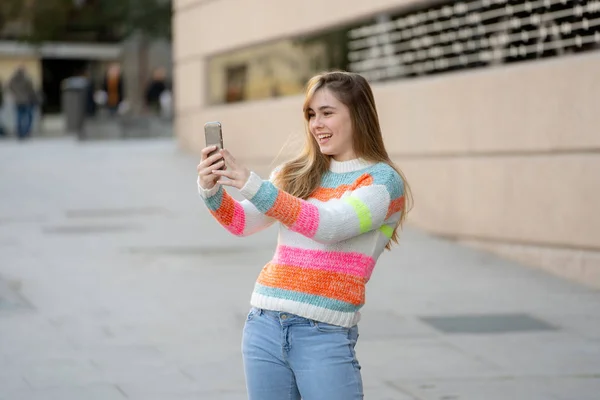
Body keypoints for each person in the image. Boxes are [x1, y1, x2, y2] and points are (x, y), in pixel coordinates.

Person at [196, 71, 412, 400]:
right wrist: (210, 190)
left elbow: (329, 226)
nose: (316, 124)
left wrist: (251, 183)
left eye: (327, 112)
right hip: (264, 324)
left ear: (358, 113)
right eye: (311, 114)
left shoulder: (382, 182)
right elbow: (242, 222)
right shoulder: (296, 172)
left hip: (324, 334)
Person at [7, 66, 37, 140]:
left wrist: (15, 93)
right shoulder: (26, 79)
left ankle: (20, 132)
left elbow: (9, 86)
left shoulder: (13, 79)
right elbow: (31, 89)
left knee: (19, 117)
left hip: (17, 100)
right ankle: (26, 132)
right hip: (26, 100)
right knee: (28, 117)